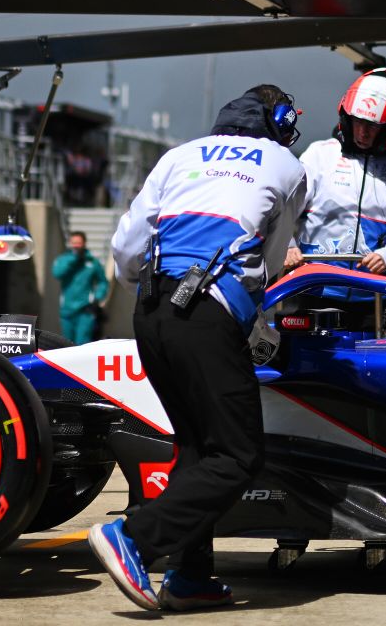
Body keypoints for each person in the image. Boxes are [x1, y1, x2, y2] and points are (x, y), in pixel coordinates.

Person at [87, 85, 308, 614]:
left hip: (152, 308)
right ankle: (135, 537)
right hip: (208, 311)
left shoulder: (178, 155)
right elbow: (271, 264)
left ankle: (189, 576)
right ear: (279, 122)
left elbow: (124, 249)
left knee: (195, 445)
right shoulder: (286, 163)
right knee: (237, 454)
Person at [283, 68, 386, 333]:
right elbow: (284, 211)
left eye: (373, 125)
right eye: (357, 121)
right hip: (312, 289)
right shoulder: (319, 155)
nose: (363, 132)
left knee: (361, 373)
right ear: (346, 117)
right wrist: (288, 247)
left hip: (371, 299)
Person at [51, 231, 111, 345]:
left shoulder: (92, 262)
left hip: (85, 310)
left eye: (79, 243)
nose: (76, 245)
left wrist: (96, 298)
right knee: (66, 344)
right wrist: (74, 259)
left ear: (84, 243)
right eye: (74, 243)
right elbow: (57, 273)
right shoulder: (63, 259)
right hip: (67, 310)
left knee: (82, 344)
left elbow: (103, 282)